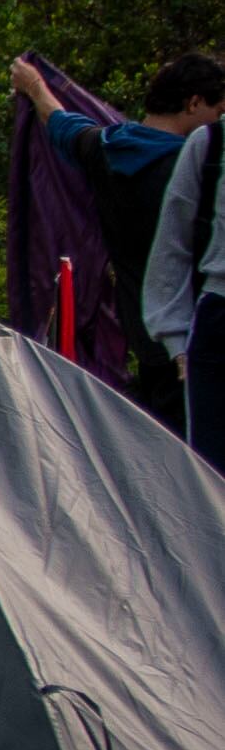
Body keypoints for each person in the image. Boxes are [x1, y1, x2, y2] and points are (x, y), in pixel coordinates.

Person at [18, 51, 225, 431]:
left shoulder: (107, 149)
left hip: (147, 339)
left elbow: (62, 125)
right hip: (199, 339)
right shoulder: (200, 168)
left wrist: (34, 87)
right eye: (219, 112)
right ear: (194, 103)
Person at [150, 99, 225, 473]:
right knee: (212, 475)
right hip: (219, 322)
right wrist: (177, 341)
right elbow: (171, 244)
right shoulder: (212, 143)